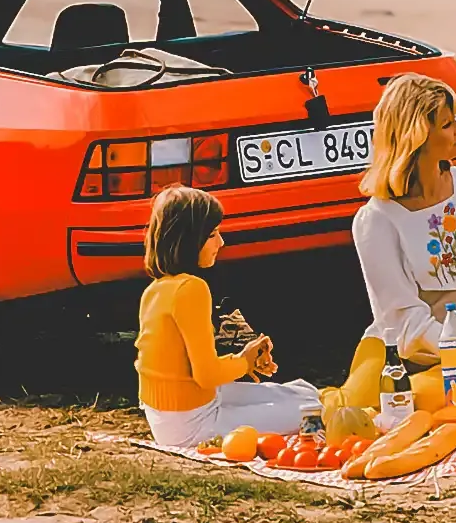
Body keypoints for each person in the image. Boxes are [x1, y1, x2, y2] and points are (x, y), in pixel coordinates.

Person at [340, 73, 456, 408]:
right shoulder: (377, 221)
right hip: (410, 373)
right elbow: (404, 321)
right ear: (417, 138)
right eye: (447, 124)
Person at [135, 185, 321, 447]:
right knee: (312, 407)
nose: (221, 242)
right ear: (188, 240)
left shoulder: (154, 290)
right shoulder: (192, 289)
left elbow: (192, 369)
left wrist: (244, 358)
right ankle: (319, 438)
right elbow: (207, 375)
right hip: (193, 424)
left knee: (303, 391)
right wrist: (244, 362)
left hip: (174, 415)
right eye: (212, 235)